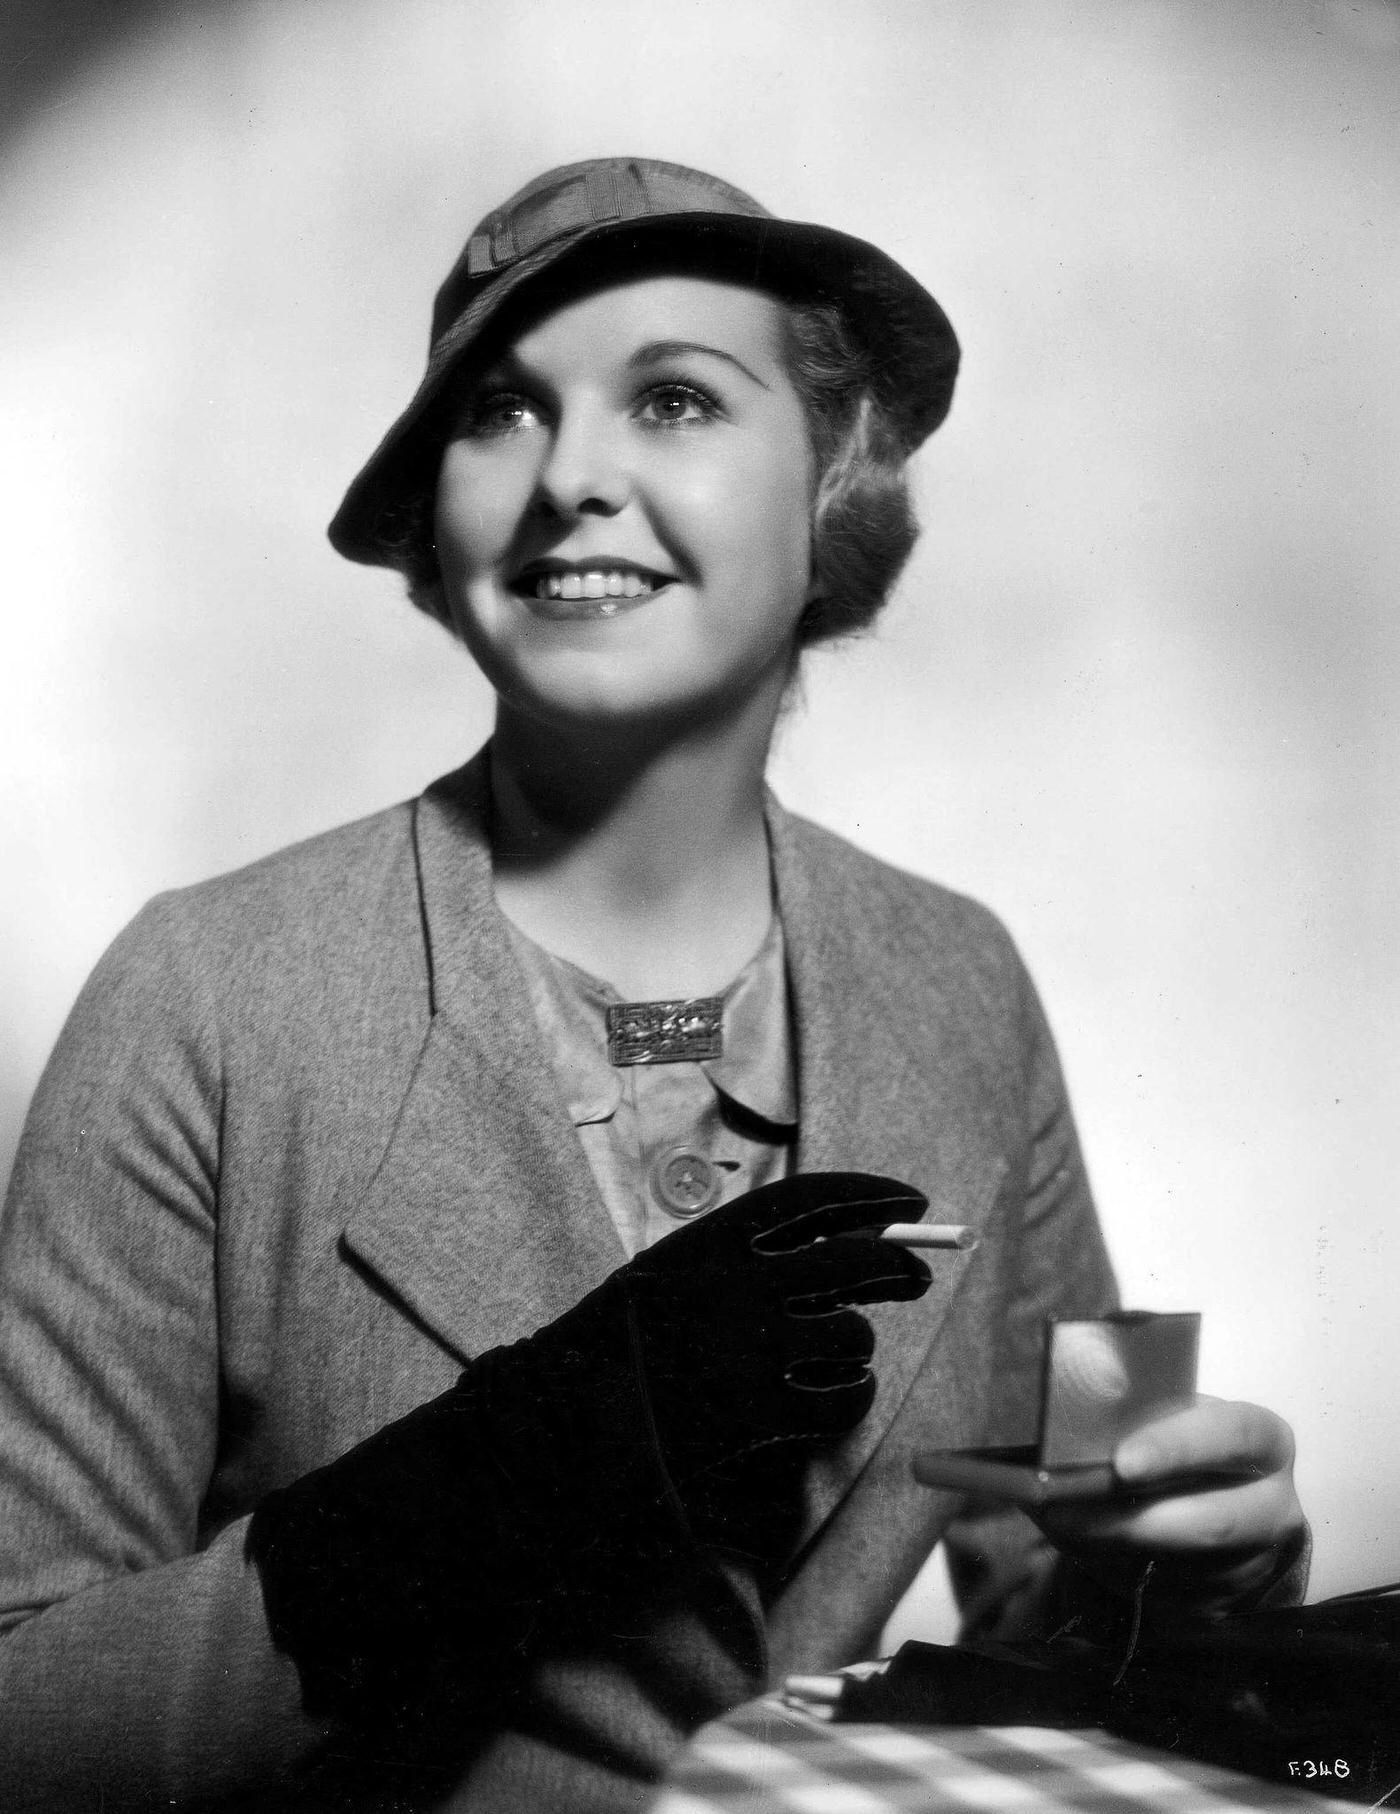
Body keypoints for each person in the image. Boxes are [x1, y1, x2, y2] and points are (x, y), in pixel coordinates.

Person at [0, 157, 1308, 1813]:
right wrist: (486, 1487)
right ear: (435, 527)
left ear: (833, 483)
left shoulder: (962, 974)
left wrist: (1198, 1567)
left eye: (676, 400)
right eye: (500, 413)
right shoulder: (205, 989)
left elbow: (1059, 1625)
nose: (574, 480)